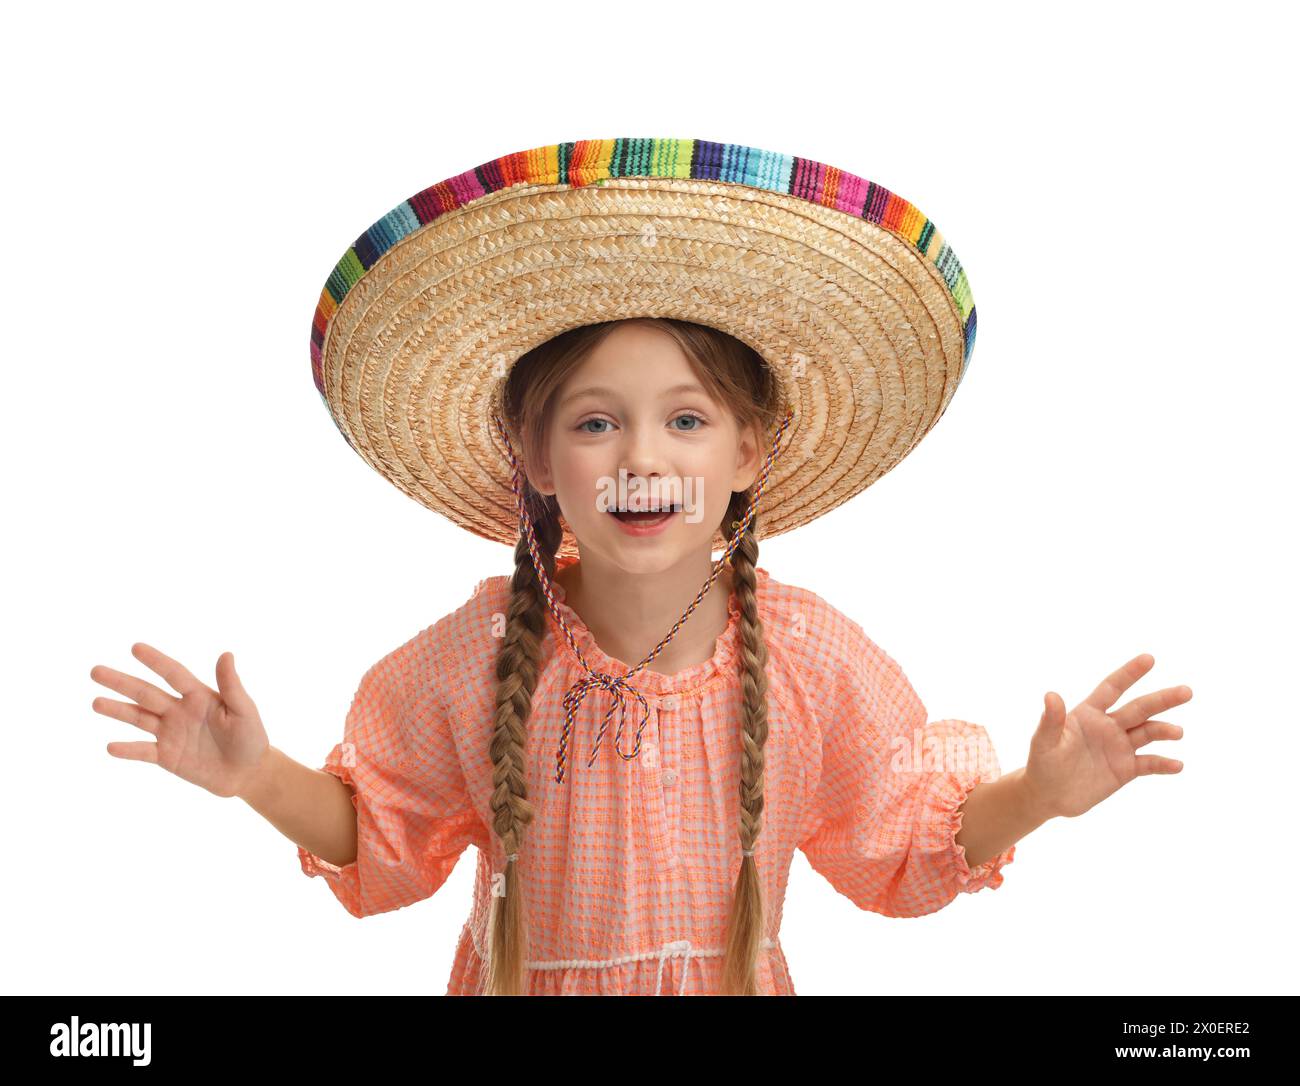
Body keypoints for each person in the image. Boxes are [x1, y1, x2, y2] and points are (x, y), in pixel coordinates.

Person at [89, 138, 1191, 996]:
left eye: (685, 419)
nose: (643, 458)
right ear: (534, 457)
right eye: (597, 423)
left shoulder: (801, 654)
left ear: (747, 453)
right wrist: (254, 778)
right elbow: (383, 830)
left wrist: (1039, 796)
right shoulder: (481, 657)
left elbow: (897, 841)